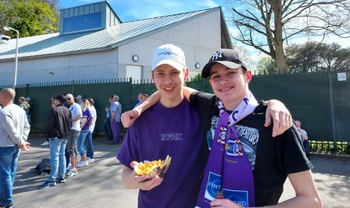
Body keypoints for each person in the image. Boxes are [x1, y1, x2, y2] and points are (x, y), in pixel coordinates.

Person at [118, 44, 292, 208]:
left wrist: (273, 103)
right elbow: (125, 175)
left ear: (185, 73)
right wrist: (135, 180)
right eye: (160, 73)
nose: (167, 80)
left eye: (174, 72)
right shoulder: (139, 120)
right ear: (152, 76)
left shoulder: (205, 112)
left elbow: (238, 102)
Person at [188, 49, 321, 207]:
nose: (223, 81)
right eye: (216, 76)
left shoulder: (276, 121)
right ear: (211, 83)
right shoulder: (210, 106)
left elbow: (311, 201)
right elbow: (176, 89)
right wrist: (149, 102)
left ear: (248, 76)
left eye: (230, 73)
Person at [0, 88, 31, 208]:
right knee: (10, 173)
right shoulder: (20, 109)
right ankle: (6, 197)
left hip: (5, 147)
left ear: (4, 97)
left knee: (4, 175)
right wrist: (21, 141)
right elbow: (27, 126)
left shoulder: (4, 112)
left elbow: (11, 130)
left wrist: (20, 141)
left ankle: (6, 201)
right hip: (15, 146)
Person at [39, 94, 71, 189]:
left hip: (56, 136)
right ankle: (61, 176)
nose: (53, 101)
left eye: (54, 100)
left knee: (55, 157)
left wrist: (48, 136)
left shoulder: (54, 110)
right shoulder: (67, 110)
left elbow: (50, 125)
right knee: (62, 156)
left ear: (57, 100)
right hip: (64, 135)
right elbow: (70, 123)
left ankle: (51, 179)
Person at [65, 93, 82, 177]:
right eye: (66, 99)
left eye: (69, 98)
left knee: (70, 149)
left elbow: (80, 116)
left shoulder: (76, 106)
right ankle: (74, 167)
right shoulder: (71, 107)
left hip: (74, 129)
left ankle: (73, 168)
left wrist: (71, 121)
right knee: (73, 148)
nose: (67, 100)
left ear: (73, 98)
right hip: (72, 129)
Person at [76, 99, 92, 168]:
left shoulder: (85, 110)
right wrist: (87, 126)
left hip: (83, 130)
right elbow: (91, 120)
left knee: (79, 146)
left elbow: (84, 120)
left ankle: (84, 160)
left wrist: (80, 128)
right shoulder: (88, 110)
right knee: (82, 145)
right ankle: (83, 160)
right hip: (86, 129)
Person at [85, 98, 96, 164]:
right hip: (88, 128)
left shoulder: (91, 109)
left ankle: (91, 157)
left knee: (89, 142)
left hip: (89, 128)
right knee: (87, 142)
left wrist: (87, 126)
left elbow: (91, 120)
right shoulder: (89, 109)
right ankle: (88, 156)